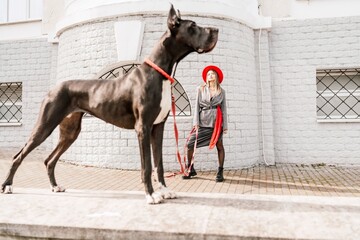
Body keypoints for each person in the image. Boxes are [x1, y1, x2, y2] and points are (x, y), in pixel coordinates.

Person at [183, 65, 228, 182]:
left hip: (217, 124)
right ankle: (190, 168)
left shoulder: (221, 91)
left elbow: (224, 109)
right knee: (190, 144)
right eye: (208, 74)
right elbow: (197, 106)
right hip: (203, 122)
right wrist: (196, 122)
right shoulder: (201, 89)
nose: (210, 75)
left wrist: (225, 126)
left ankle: (220, 171)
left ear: (216, 76)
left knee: (219, 146)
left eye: (212, 73)